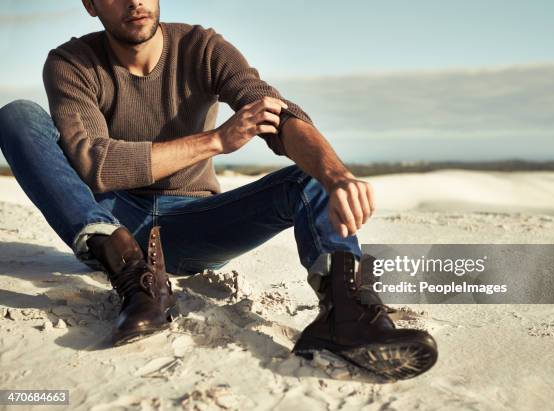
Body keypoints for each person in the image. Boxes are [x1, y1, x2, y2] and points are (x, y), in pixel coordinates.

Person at [0, 0, 437, 380]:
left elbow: (277, 114)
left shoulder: (201, 47)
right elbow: (93, 164)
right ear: (91, 5)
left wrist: (336, 174)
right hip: (113, 219)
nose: (134, 1)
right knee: (17, 116)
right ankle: (133, 274)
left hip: (195, 224)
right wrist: (215, 141)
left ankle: (345, 311)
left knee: (310, 179)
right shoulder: (71, 63)